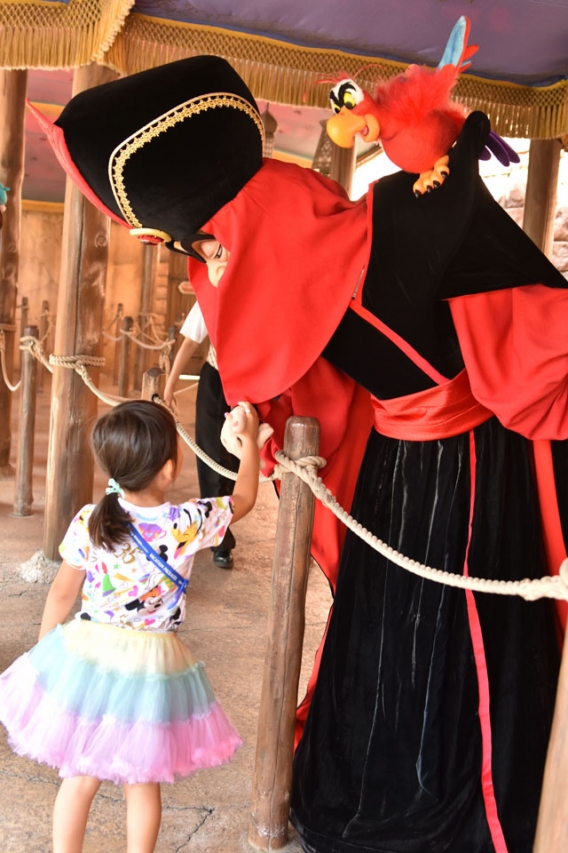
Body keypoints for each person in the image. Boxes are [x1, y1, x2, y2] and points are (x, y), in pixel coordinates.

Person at [30, 56, 568, 853]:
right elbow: (299, 371)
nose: (209, 270)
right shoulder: (287, 260)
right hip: (392, 464)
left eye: (209, 247)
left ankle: (454, 793)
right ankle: (369, 784)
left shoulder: (396, 220)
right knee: (378, 635)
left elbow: (511, 309)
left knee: (449, 644)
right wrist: (260, 424)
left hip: (469, 472)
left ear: (246, 221)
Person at [0, 398, 260, 853]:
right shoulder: (187, 522)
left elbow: (61, 593)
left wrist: (46, 655)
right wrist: (250, 445)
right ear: (168, 468)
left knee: (79, 776)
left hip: (86, 656)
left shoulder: (91, 519)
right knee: (141, 782)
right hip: (152, 663)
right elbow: (245, 499)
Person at [164, 301, 239, 569]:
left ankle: (218, 522)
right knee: (211, 454)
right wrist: (170, 386)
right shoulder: (212, 293)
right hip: (215, 379)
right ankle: (221, 541)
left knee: (236, 458)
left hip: (249, 382)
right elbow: (190, 342)